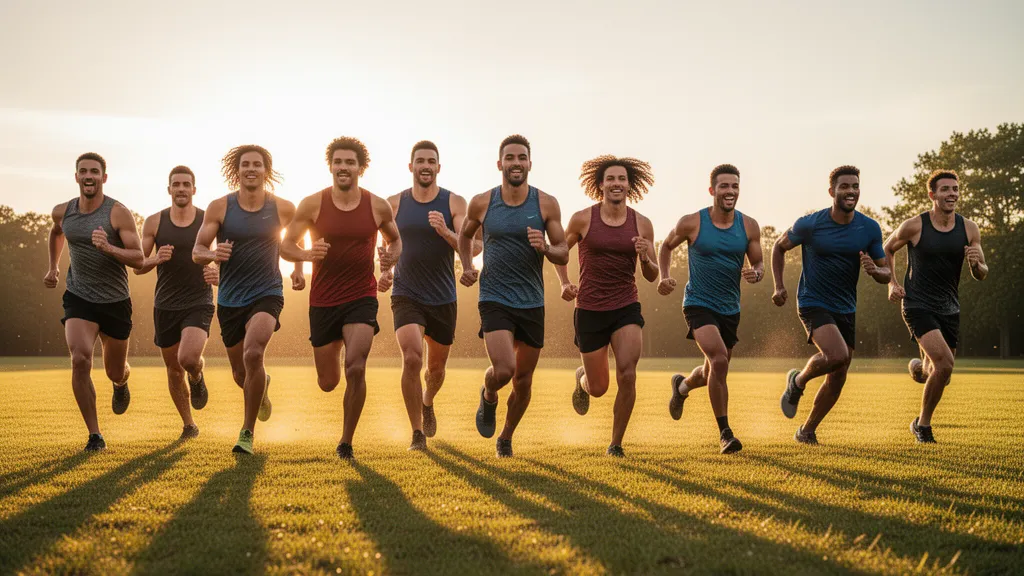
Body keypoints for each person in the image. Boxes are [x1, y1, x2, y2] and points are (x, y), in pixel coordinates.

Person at [281, 137, 401, 460]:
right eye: (338, 162)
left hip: (362, 294)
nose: (343, 167)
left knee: (356, 367)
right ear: (330, 166)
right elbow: (285, 245)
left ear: (361, 168)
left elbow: (395, 241)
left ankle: (346, 441)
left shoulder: (377, 206)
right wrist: (307, 254)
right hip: (323, 299)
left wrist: (389, 263)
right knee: (328, 381)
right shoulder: (312, 204)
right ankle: (331, 377)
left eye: (350, 162)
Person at [459, 134, 569, 458]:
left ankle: (506, 437)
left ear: (530, 164)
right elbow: (464, 236)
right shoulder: (482, 202)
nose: (516, 163)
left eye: (522, 157)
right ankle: (489, 393)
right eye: (510, 158)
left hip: (532, 301)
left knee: (523, 382)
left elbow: (563, 254)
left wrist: (545, 247)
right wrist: (467, 266)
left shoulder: (546, 203)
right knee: (504, 369)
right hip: (494, 297)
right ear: (500, 164)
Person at [773, 165, 890, 444]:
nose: (851, 192)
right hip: (812, 301)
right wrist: (779, 286)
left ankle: (807, 431)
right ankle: (798, 381)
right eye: (845, 187)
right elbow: (778, 247)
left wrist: (874, 271)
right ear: (831, 192)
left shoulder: (869, 228)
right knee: (838, 355)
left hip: (846, 307)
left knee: (839, 374)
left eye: (855, 186)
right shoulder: (810, 224)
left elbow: (887, 274)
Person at [193, 144, 299, 454]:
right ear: (236, 170)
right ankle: (261, 387)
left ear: (267, 171)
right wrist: (213, 254)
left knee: (254, 354)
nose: (251, 169)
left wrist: (298, 268)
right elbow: (197, 251)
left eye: (257, 164)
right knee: (241, 372)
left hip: (267, 292)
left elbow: (296, 240)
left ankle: (246, 433)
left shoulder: (283, 207)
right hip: (229, 299)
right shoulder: (219, 207)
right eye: (245, 165)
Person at [555, 155, 657, 457]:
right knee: (599, 387)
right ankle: (582, 379)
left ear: (630, 185)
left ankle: (615, 444)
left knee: (627, 374)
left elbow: (651, 276)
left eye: (622, 179)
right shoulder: (583, 218)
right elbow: (561, 252)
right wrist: (564, 282)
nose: (616, 184)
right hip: (589, 309)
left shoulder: (642, 224)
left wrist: (645, 257)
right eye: (610, 179)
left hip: (625, 305)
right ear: (600, 184)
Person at [657, 164, 764, 454]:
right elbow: (666, 246)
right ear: (712, 190)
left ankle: (681, 387)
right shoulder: (693, 222)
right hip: (698, 303)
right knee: (719, 360)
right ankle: (725, 433)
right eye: (724, 186)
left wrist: (756, 273)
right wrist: (664, 275)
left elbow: (758, 263)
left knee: (713, 370)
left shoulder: (749, 225)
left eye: (734, 187)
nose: (730, 191)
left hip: (730, 308)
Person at [380, 141, 480, 449]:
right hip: (406, 293)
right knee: (412, 357)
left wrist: (446, 232)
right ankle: (416, 434)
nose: (425, 165)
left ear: (438, 167)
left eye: (431, 161)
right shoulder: (394, 203)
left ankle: (427, 400)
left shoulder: (454, 203)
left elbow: (474, 247)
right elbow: (385, 249)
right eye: (420, 160)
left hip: (443, 297)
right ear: (411, 167)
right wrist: (384, 272)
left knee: (435, 369)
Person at [43, 152, 144, 451]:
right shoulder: (63, 212)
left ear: (104, 177)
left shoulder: (118, 213)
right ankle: (95, 435)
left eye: (95, 172)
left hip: (115, 301)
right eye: (84, 171)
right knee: (80, 358)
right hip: (79, 297)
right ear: (76, 177)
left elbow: (138, 258)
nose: (89, 176)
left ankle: (121, 383)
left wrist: (109, 247)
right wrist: (54, 266)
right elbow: (56, 233)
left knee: (114, 369)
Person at [884, 169, 987, 443]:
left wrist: (977, 262)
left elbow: (982, 273)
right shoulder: (915, 226)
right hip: (917, 304)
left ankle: (919, 370)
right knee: (945, 364)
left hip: (950, 308)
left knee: (941, 373)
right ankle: (922, 425)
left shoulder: (969, 228)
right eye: (945, 189)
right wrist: (892, 283)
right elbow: (887, 248)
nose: (952, 194)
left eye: (955, 189)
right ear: (932, 195)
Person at [135, 166, 218, 440]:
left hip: (199, 299)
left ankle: (197, 375)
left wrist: (219, 271)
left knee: (188, 358)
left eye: (186, 184)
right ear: (169, 189)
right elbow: (138, 265)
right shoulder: (154, 222)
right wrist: (155, 260)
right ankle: (188, 425)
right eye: (176, 184)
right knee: (173, 370)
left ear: (194, 189)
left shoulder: (209, 219)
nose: (181, 189)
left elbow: (232, 253)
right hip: (166, 304)